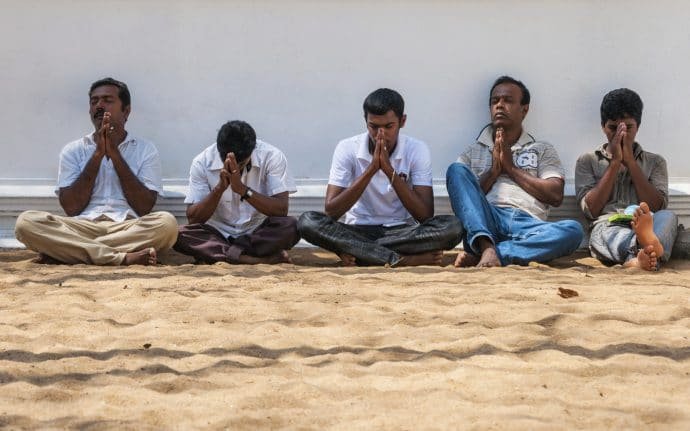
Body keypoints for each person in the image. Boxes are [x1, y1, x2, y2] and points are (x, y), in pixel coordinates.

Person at [14, 77, 178, 265]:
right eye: (94, 101)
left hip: (127, 227)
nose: (99, 105)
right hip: (82, 226)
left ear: (126, 111)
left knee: (167, 225)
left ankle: (66, 252)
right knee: (26, 223)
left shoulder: (145, 149)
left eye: (108, 100)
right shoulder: (74, 150)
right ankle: (120, 258)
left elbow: (144, 207)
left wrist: (115, 155)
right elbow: (71, 207)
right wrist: (98, 155)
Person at [298, 88, 463, 266]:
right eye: (373, 127)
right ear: (366, 122)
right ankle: (398, 259)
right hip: (356, 230)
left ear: (403, 121)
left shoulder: (416, 149)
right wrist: (371, 170)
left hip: (401, 232)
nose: (380, 134)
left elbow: (425, 215)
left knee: (452, 227)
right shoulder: (347, 148)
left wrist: (389, 171)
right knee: (307, 222)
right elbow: (331, 212)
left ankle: (361, 254)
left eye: (388, 126)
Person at [446, 76, 584, 267]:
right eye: (495, 101)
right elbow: (463, 203)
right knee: (456, 170)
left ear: (524, 109)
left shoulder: (542, 148)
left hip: (528, 225)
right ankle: (486, 246)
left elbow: (555, 195)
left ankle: (493, 254)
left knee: (573, 230)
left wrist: (511, 168)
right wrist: (493, 173)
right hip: (488, 220)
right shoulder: (473, 151)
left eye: (508, 100)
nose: (500, 106)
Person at [575, 88, 677, 271]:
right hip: (608, 223)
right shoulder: (587, 160)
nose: (620, 134)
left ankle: (641, 253)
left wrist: (630, 161)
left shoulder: (655, 162)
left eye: (628, 128)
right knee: (606, 235)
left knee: (668, 217)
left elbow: (658, 206)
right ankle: (644, 250)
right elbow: (591, 210)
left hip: (649, 222)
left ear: (638, 126)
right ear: (603, 127)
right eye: (613, 128)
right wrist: (615, 163)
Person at [173, 120, 299, 264]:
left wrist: (243, 190)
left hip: (256, 233)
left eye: (241, 164)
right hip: (218, 233)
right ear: (219, 151)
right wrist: (219, 189)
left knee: (292, 226)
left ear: (252, 150)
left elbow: (282, 210)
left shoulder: (272, 156)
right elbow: (194, 219)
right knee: (176, 234)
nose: (236, 168)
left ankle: (224, 254)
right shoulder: (202, 162)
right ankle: (252, 259)